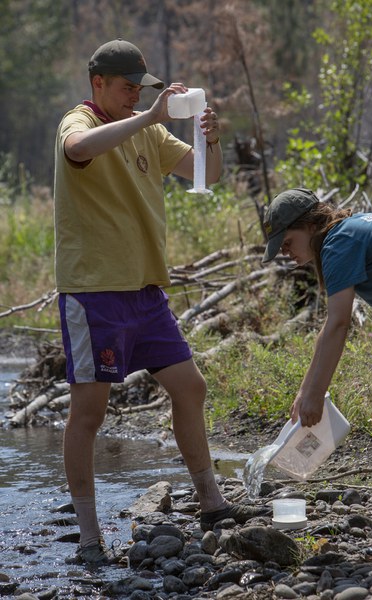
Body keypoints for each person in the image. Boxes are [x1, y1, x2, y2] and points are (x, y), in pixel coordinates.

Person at [54, 39, 267, 566]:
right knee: (89, 412)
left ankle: (211, 502)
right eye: (127, 88)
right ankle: (88, 535)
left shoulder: (147, 128)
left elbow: (206, 174)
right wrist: (148, 113)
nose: (134, 98)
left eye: (140, 90)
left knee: (188, 386)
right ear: (98, 83)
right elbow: (78, 151)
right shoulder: (76, 122)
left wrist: (210, 140)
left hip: (146, 291)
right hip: (95, 291)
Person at [262, 187, 372, 554]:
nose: (286, 254)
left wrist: (313, 395)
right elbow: (330, 326)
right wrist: (306, 390)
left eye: (287, 242)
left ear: (309, 224)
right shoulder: (349, 235)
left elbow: (338, 324)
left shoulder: (340, 241)